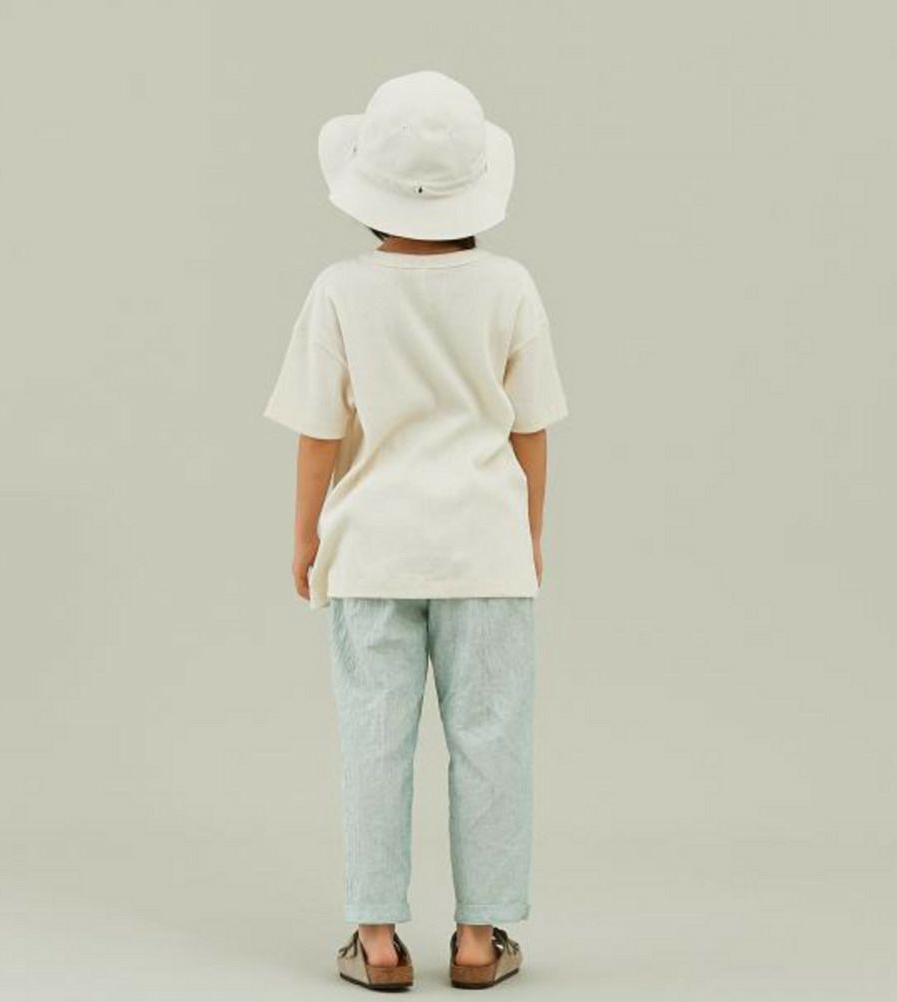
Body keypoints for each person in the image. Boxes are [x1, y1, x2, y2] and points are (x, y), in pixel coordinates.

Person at [263, 69, 568, 991]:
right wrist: (530, 533)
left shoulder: (340, 290)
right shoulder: (510, 286)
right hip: (485, 547)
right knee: (491, 739)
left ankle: (377, 938)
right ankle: (477, 940)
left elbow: (320, 432)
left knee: (373, 738)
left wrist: (306, 536)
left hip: (372, 547)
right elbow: (530, 428)